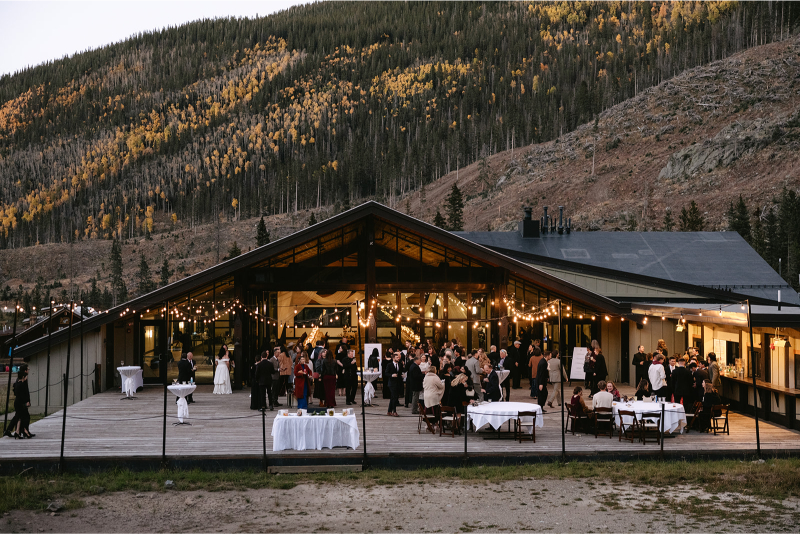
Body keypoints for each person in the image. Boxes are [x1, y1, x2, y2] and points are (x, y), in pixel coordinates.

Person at [11, 371, 32, 439]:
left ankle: (17, 432)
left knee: (19, 417)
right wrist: (26, 403)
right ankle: (25, 431)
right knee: (25, 417)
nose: (26, 378)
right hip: (20, 403)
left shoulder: (17, 384)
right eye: (26, 376)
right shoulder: (21, 385)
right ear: (23, 377)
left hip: (17, 403)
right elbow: (22, 396)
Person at [387, 352, 403, 416]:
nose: (398, 358)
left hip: (398, 383)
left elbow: (401, 371)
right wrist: (391, 375)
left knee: (393, 397)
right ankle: (394, 411)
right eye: (396, 357)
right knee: (394, 397)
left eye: (398, 357)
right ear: (393, 358)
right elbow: (386, 373)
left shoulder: (400, 364)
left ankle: (389, 411)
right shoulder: (389, 365)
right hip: (391, 383)